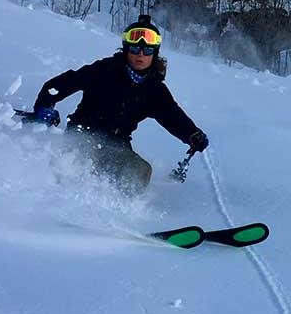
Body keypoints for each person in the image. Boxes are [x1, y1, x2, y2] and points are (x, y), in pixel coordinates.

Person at [31, 14, 209, 193]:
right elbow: (61, 85)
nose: (141, 54)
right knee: (87, 165)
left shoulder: (154, 90)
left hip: (118, 145)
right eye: (135, 49)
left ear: (155, 54)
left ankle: (118, 210)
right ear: (126, 49)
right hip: (83, 137)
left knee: (140, 171)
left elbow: (172, 115)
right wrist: (44, 106)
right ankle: (65, 195)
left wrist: (192, 134)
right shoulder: (104, 70)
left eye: (147, 51)